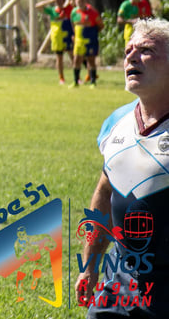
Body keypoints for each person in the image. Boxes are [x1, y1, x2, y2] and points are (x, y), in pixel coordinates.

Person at [77, 17, 169, 313]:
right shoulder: (116, 123)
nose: (131, 55)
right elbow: (105, 195)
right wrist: (89, 266)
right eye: (128, 49)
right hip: (120, 278)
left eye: (147, 50)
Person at [41, 0, 74, 84]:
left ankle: (77, 77)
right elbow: (38, 7)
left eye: (61, 0)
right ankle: (61, 78)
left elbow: (75, 1)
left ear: (64, 1)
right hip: (57, 38)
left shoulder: (68, 9)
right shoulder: (52, 10)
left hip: (67, 36)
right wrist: (50, 0)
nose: (59, 2)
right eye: (57, 0)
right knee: (59, 58)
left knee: (72, 56)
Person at [77, 0, 105, 87]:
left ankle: (93, 81)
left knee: (91, 59)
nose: (79, 3)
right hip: (79, 40)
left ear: (85, 1)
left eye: (81, 1)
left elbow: (101, 25)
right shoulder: (75, 12)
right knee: (77, 59)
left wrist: (93, 32)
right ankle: (76, 80)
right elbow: (73, 24)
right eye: (78, 1)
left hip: (91, 39)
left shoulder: (93, 13)